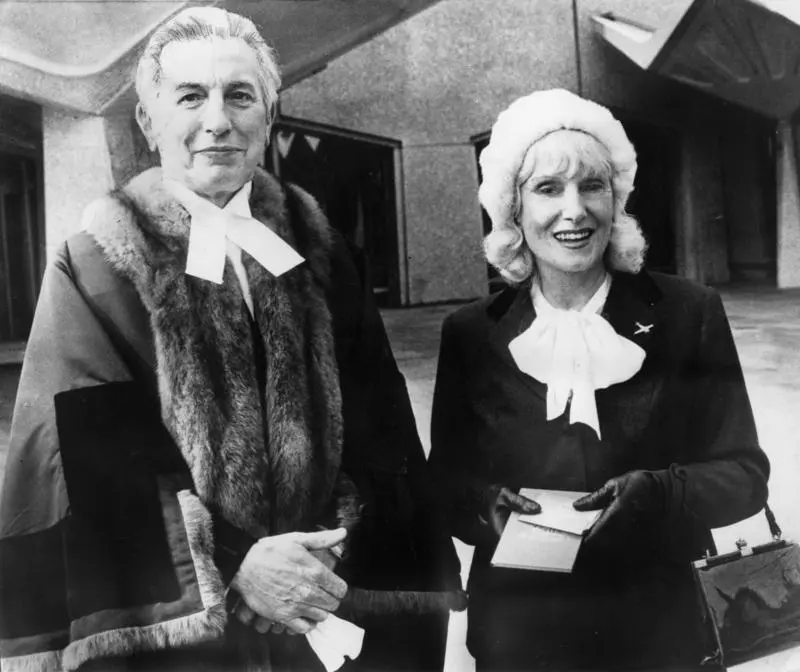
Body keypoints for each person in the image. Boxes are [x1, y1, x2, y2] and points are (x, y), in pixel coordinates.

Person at [0, 8, 461, 672]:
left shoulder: (321, 248)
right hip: (191, 638)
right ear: (148, 120)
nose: (217, 119)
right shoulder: (93, 267)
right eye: (191, 96)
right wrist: (238, 571)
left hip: (323, 602)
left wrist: (326, 548)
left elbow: (378, 426)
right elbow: (91, 464)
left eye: (240, 95)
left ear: (269, 115)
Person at [428, 89, 770, 671]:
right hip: (522, 638)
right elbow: (443, 484)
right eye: (547, 189)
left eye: (593, 186)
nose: (575, 211)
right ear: (513, 210)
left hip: (663, 634)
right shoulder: (471, 334)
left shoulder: (689, 313)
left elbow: (745, 475)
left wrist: (662, 492)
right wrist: (485, 504)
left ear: (617, 200)